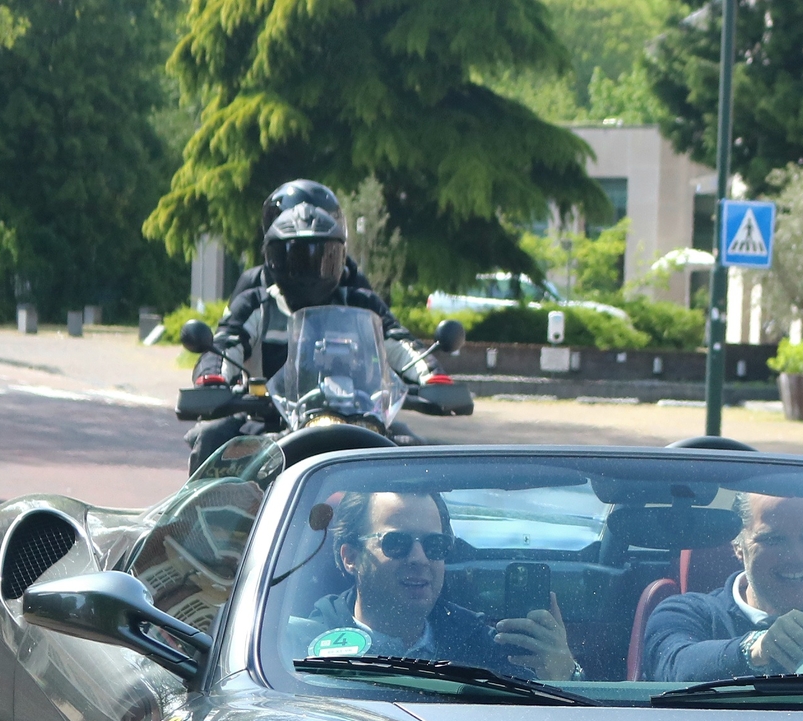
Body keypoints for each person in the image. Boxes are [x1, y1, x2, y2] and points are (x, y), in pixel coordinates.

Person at [187, 179, 404, 470]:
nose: (309, 268)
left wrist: (434, 379)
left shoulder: (360, 301)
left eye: (321, 255)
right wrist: (212, 378)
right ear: (272, 253)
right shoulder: (257, 300)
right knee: (210, 437)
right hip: (266, 418)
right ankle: (204, 516)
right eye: (295, 256)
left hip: (359, 419)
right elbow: (226, 342)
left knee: (417, 452)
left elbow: (399, 341)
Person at [295, 490, 580, 681]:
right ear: (351, 557)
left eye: (435, 545)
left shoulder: (485, 647)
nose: (419, 558)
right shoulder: (300, 650)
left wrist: (567, 674)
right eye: (396, 543)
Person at [639, 494, 803, 683]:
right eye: (773, 539)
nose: (796, 557)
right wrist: (754, 649)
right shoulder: (686, 612)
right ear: (738, 545)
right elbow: (673, 665)